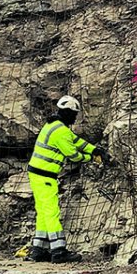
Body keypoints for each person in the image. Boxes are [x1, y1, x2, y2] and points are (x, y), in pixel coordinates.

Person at [26, 95, 108, 263]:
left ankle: (38, 250)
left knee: (43, 212)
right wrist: (92, 158)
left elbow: (76, 140)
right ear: (69, 112)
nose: (76, 117)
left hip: (37, 174)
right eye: (75, 114)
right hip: (45, 176)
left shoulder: (54, 125)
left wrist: (95, 149)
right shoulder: (61, 131)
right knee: (51, 212)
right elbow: (73, 155)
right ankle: (59, 251)